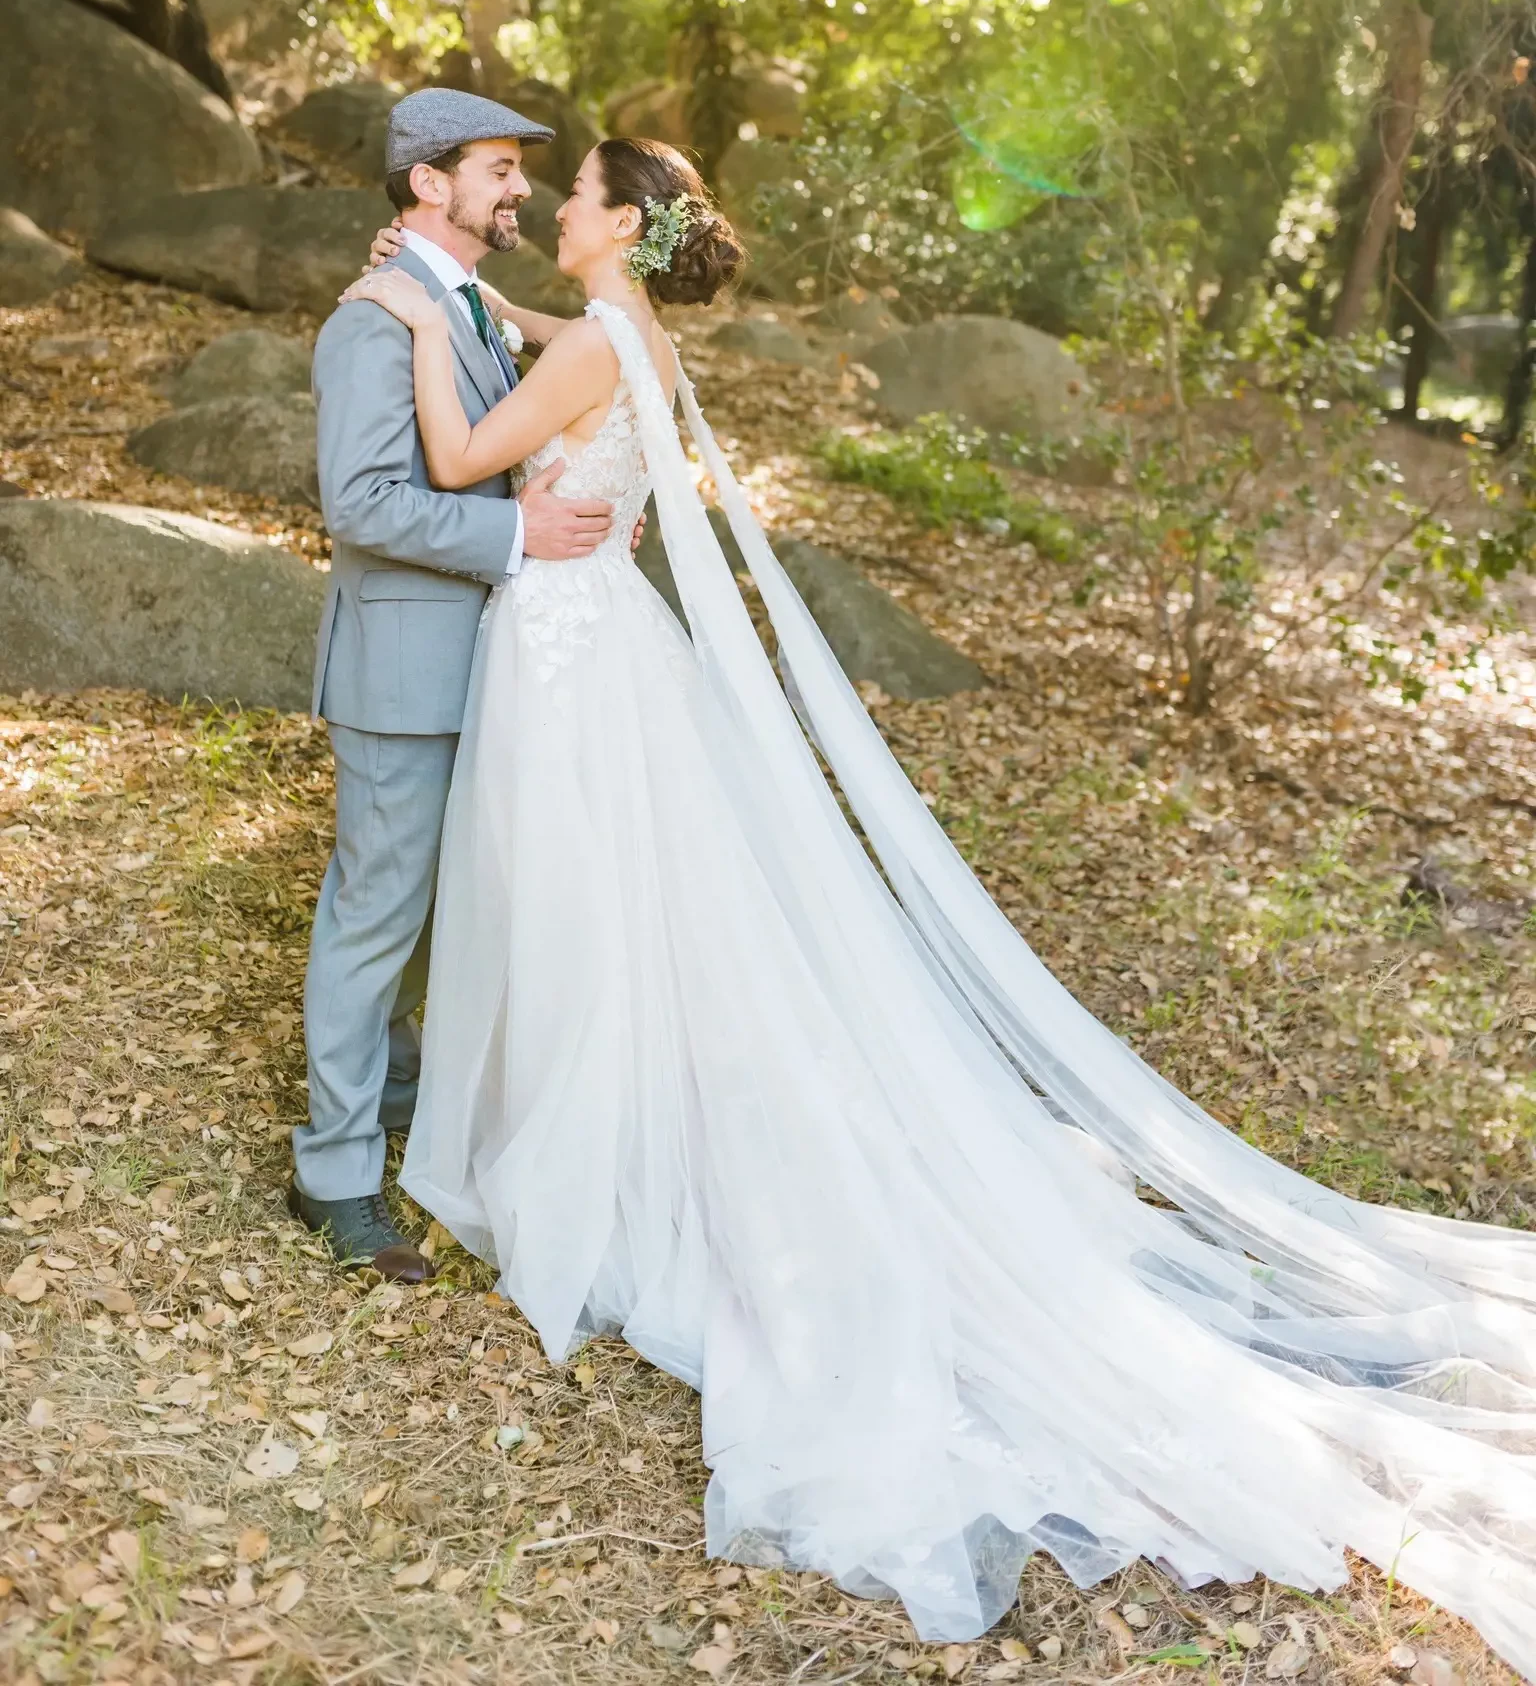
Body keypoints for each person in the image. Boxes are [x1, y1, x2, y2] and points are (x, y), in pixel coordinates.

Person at [342, 136, 1536, 1668]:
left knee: (593, 913)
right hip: (589, 653)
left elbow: (452, 459)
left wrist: (415, 317)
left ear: (620, 224)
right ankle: (588, 1116)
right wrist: (482, 323)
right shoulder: (620, 337)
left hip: (570, 663)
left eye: (570, 192)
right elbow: (546, 400)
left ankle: (589, 1150)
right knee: (618, 919)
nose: (552, 212)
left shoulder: (589, 340)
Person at [291, 87, 619, 1281]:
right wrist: (517, 536)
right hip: (401, 669)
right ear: (429, 182)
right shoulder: (374, 322)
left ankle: (392, 1087)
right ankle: (330, 1170)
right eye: (495, 167)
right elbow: (365, 503)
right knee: (374, 912)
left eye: (520, 170)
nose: (517, 186)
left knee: (437, 909)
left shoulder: (464, 304)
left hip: (490, 661)